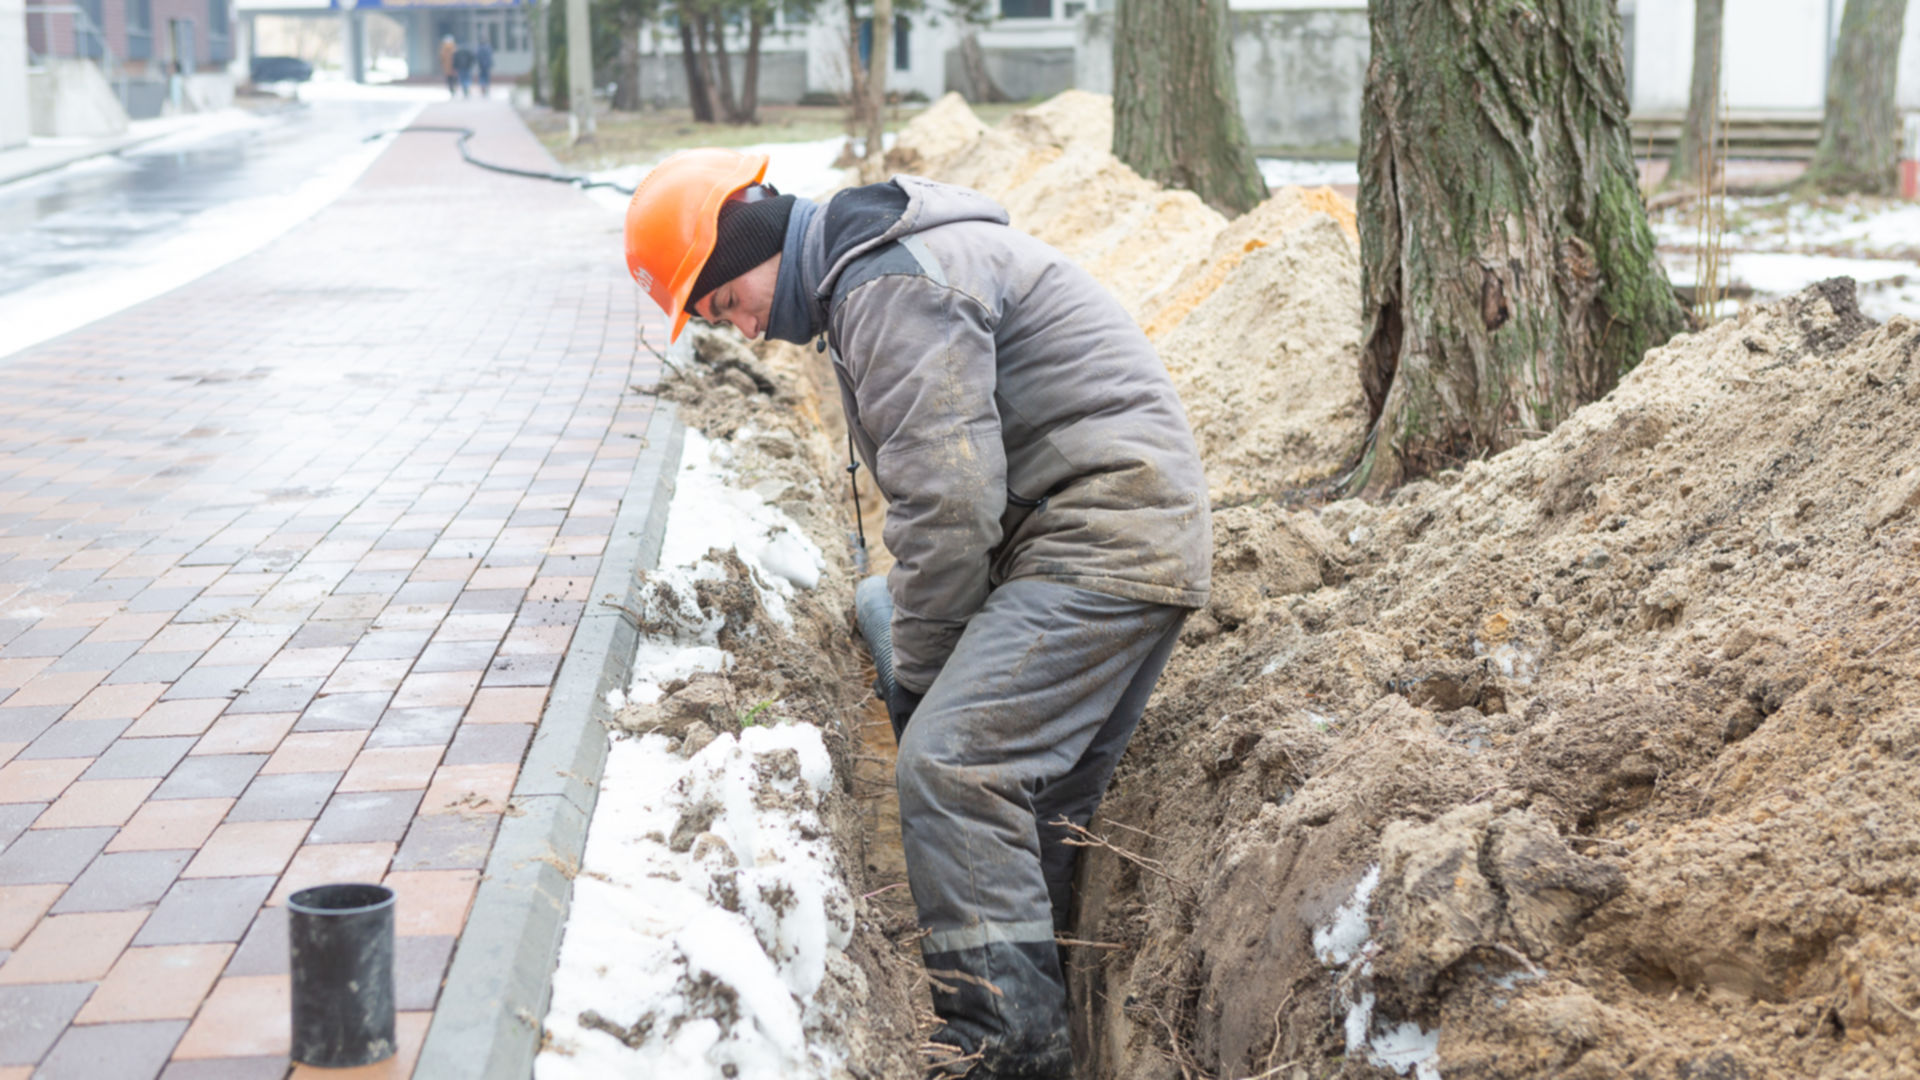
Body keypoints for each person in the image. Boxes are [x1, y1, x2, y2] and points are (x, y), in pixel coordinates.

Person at [623, 150, 1211, 1079]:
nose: (740, 328)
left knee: (951, 767)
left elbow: (950, 505)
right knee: (1032, 793)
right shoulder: (871, 267)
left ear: (753, 238)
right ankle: (1042, 997)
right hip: (1111, 530)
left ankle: (1004, 1049)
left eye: (724, 298)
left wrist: (928, 689)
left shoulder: (887, 286)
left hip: (1102, 538)